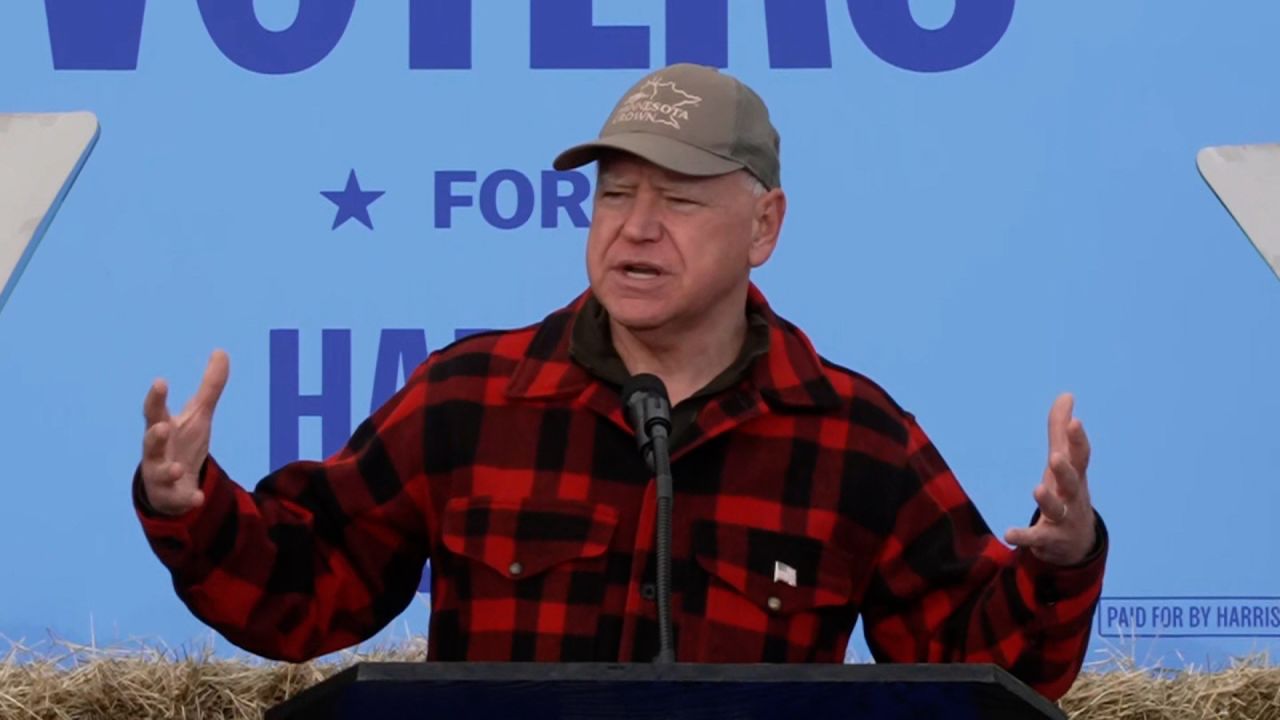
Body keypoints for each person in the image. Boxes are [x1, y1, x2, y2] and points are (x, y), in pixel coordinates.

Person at [134, 63, 1106, 701]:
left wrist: (1059, 562)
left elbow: (979, 674)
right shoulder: (468, 401)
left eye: (676, 199)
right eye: (612, 194)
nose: (634, 226)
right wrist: (188, 503)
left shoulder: (852, 436)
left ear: (763, 227)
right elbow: (309, 593)